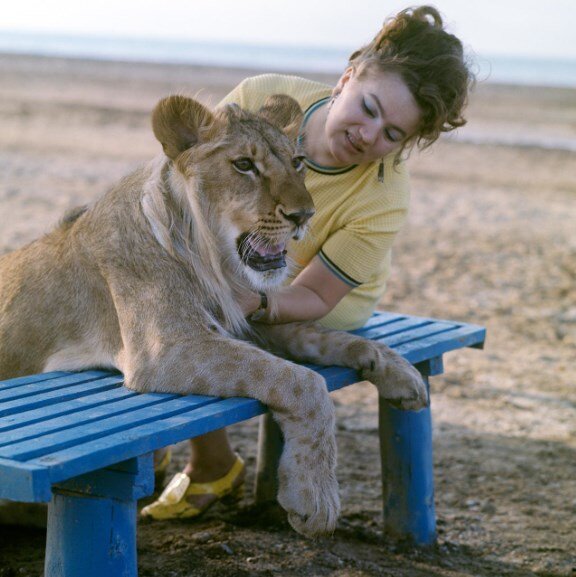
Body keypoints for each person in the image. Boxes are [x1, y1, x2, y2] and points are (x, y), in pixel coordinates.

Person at [141, 5, 473, 520]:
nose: (369, 134)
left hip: (314, 295)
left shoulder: (384, 198)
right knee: (167, 293)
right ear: (346, 79)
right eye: (368, 107)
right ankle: (170, 446)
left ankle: (210, 463)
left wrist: (248, 299)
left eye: (392, 135)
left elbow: (315, 295)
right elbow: (194, 180)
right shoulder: (262, 96)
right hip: (241, 255)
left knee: (206, 326)